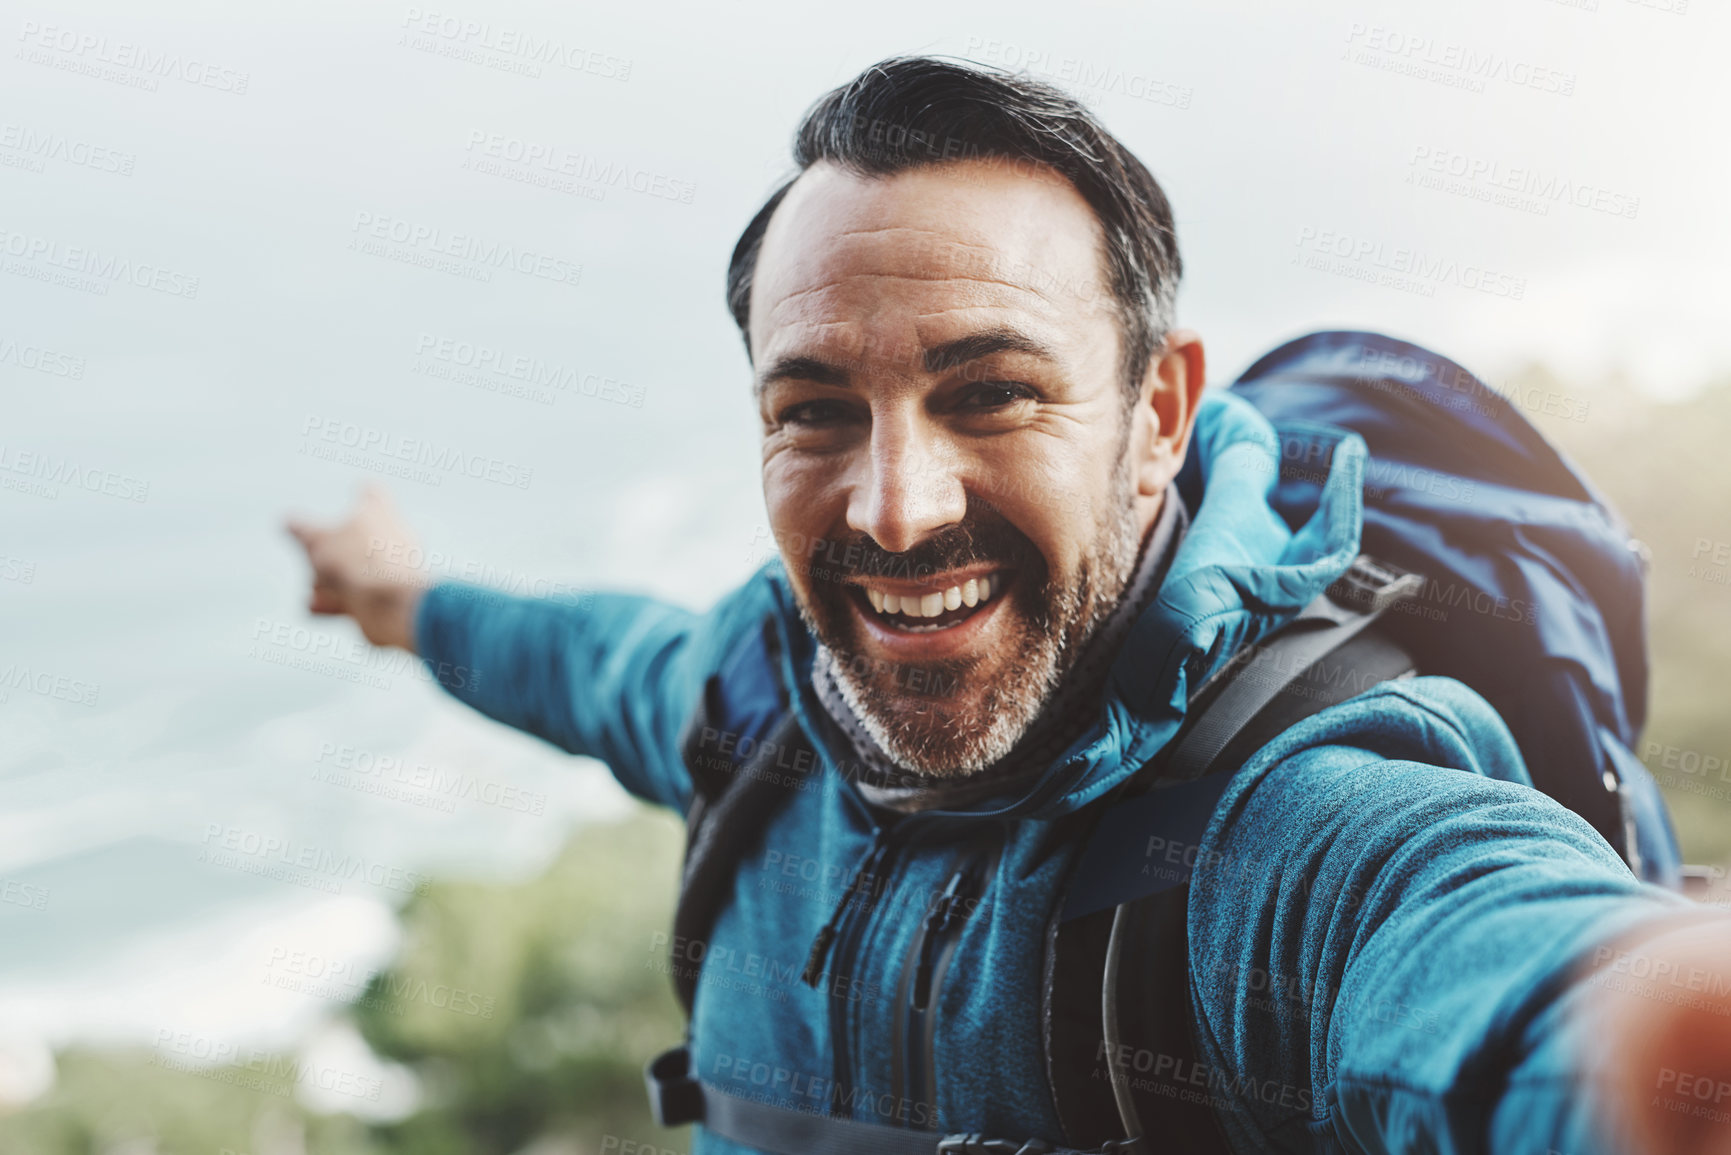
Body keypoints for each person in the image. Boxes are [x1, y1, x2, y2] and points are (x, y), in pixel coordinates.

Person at [288, 56, 1731, 1155]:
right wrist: (402, 599)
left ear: (1158, 412)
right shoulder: (755, 692)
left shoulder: (1294, 826)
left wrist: (1649, 1053)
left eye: (993, 394)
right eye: (815, 411)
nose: (896, 509)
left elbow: (1509, 969)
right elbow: (587, 663)